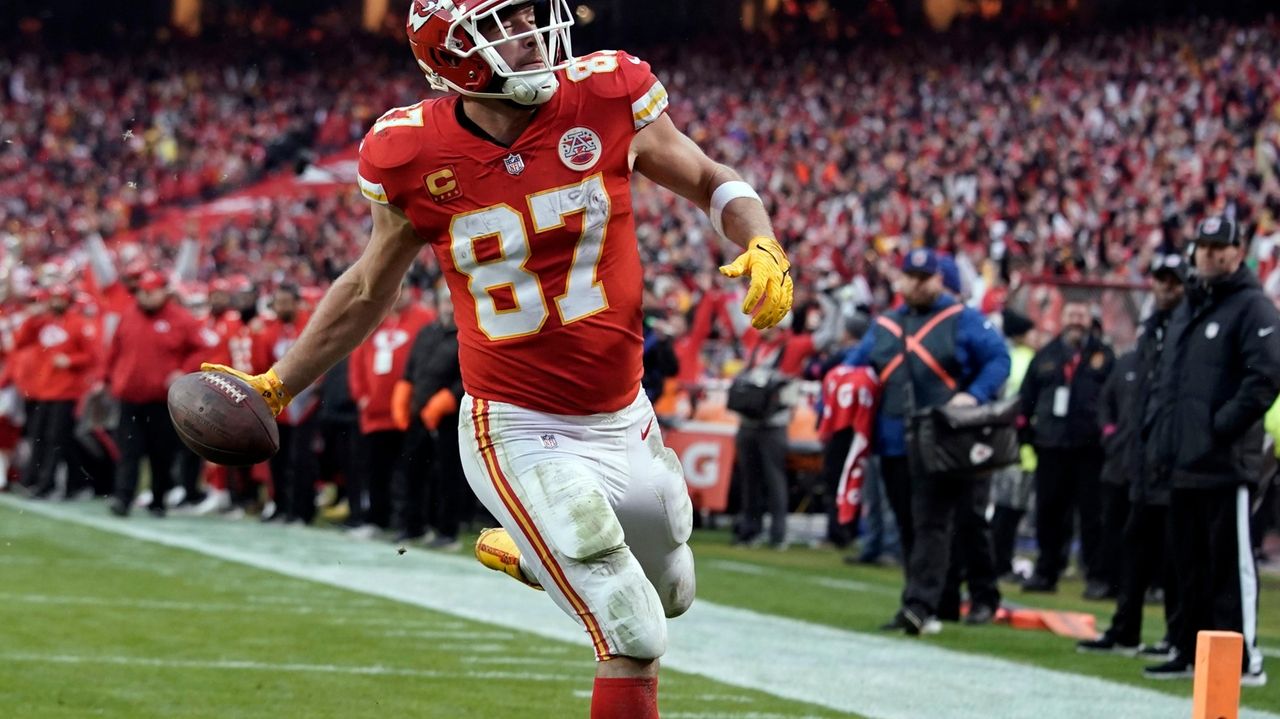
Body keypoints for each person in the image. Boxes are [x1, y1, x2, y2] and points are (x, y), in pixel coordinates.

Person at [201, 2, 793, 716]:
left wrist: (760, 237)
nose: (531, 34)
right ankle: (553, 543)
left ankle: (533, 551)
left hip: (624, 411)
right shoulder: (410, 153)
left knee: (675, 591)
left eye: (528, 15)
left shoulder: (608, 92)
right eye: (503, 23)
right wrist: (275, 385)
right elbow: (365, 287)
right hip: (516, 423)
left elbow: (706, 175)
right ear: (451, 55)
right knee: (632, 624)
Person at [1143, 217, 1280, 686]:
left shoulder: (1253, 307)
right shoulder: (1188, 310)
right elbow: (1169, 384)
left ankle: (1243, 661)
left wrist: (1219, 428)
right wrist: (1161, 438)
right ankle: (1189, 651)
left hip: (1225, 464)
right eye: (1204, 247)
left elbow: (1266, 377)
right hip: (1182, 463)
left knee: (1230, 567)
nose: (1212, 255)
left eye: (1221, 247)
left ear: (1238, 252)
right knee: (1188, 567)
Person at [844, 248, 1009, 634]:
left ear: (939, 279)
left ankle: (927, 604)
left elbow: (998, 358)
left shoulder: (964, 320)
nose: (917, 284)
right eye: (910, 276)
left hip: (948, 439)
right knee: (909, 524)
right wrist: (842, 381)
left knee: (947, 522)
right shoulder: (884, 326)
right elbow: (856, 363)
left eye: (925, 277)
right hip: (895, 440)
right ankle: (938, 600)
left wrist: (974, 395)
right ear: (901, 280)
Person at [1079, 254, 1187, 659]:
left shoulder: (1186, 328)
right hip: (1139, 459)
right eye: (1160, 280)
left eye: (1173, 282)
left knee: (1176, 554)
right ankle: (1126, 629)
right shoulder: (1151, 333)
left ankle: (1178, 637)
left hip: (1172, 460)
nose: (1165, 288)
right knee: (1134, 546)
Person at [1019, 301, 1115, 596]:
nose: (1076, 320)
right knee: (1049, 512)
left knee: (1092, 516)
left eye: (1081, 315)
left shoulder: (1104, 355)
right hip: (1051, 446)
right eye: (1071, 315)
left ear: (1090, 320)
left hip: (1089, 448)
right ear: (1062, 319)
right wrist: (1026, 431)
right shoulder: (1046, 355)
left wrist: (1109, 432)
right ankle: (1047, 570)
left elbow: (1114, 396)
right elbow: (1027, 395)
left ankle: (1096, 576)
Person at [105, 271, 216, 517]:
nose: (145, 296)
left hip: (162, 400)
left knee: (161, 453)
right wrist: (108, 378)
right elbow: (115, 349)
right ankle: (123, 498)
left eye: (150, 291)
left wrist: (183, 370)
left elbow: (203, 348)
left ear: (163, 292)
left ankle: (158, 498)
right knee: (129, 451)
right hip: (130, 397)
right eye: (142, 291)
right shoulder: (129, 315)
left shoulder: (181, 319)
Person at [395, 283, 467, 548]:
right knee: (412, 471)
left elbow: (468, 377)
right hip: (418, 414)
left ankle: (447, 531)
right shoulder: (427, 332)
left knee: (448, 475)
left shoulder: (466, 335)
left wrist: (448, 398)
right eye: (445, 302)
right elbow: (412, 368)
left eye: (452, 301)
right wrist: (404, 393)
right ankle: (413, 525)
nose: (449, 307)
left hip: (448, 418)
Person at [11, 284, 96, 499]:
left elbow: (90, 356)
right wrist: (32, 318)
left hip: (66, 392)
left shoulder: (77, 324)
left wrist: (70, 360)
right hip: (43, 389)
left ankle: (46, 483)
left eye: (61, 298)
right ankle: (38, 479)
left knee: (54, 439)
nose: (57, 302)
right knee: (39, 437)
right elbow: (20, 342)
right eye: (54, 298)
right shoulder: (43, 322)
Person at [989, 309, 1037, 579]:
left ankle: (998, 560)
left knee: (1004, 508)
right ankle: (1001, 562)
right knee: (1010, 510)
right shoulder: (1027, 359)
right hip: (1020, 447)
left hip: (1003, 442)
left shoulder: (1005, 357)